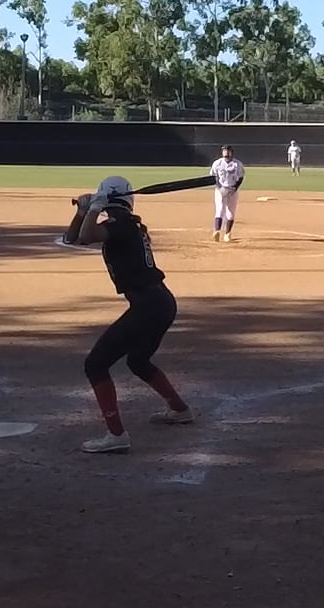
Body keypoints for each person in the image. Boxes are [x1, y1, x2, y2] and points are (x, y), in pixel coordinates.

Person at [74, 175, 194, 455]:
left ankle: (116, 435)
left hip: (148, 306)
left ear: (107, 199)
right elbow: (74, 237)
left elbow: (86, 236)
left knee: (95, 364)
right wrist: (82, 212)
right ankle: (180, 410)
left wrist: (94, 209)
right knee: (138, 361)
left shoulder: (122, 225)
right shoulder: (126, 224)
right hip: (159, 303)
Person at [209, 145, 245, 243]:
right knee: (220, 209)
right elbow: (214, 177)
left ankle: (227, 234)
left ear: (232, 153)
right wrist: (220, 187)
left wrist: (235, 188)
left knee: (231, 213)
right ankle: (217, 231)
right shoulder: (217, 163)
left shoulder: (237, 164)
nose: (226, 154)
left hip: (232, 190)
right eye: (224, 151)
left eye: (228, 152)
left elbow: (241, 177)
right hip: (220, 190)